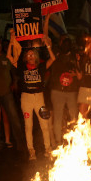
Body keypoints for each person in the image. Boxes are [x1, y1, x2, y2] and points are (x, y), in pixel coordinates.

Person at [7, 31, 55, 160]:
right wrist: (12, 42)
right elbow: (9, 57)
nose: (31, 56)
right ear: (26, 58)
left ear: (36, 56)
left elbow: (53, 59)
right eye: (28, 55)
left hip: (39, 97)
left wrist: (48, 46)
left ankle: (48, 149)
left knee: (44, 125)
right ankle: (31, 151)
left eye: (32, 54)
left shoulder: (41, 66)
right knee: (28, 126)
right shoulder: (22, 66)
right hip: (26, 98)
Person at [48, 35, 79, 146]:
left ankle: (74, 142)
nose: (66, 42)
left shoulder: (75, 55)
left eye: (68, 40)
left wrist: (75, 73)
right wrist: (46, 20)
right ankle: (59, 142)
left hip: (72, 91)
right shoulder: (55, 53)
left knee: (74, 117)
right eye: (63, 40)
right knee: (58, 117)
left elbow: (80, 71)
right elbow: (47, 38)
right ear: (60, 42)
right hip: (57, 90)